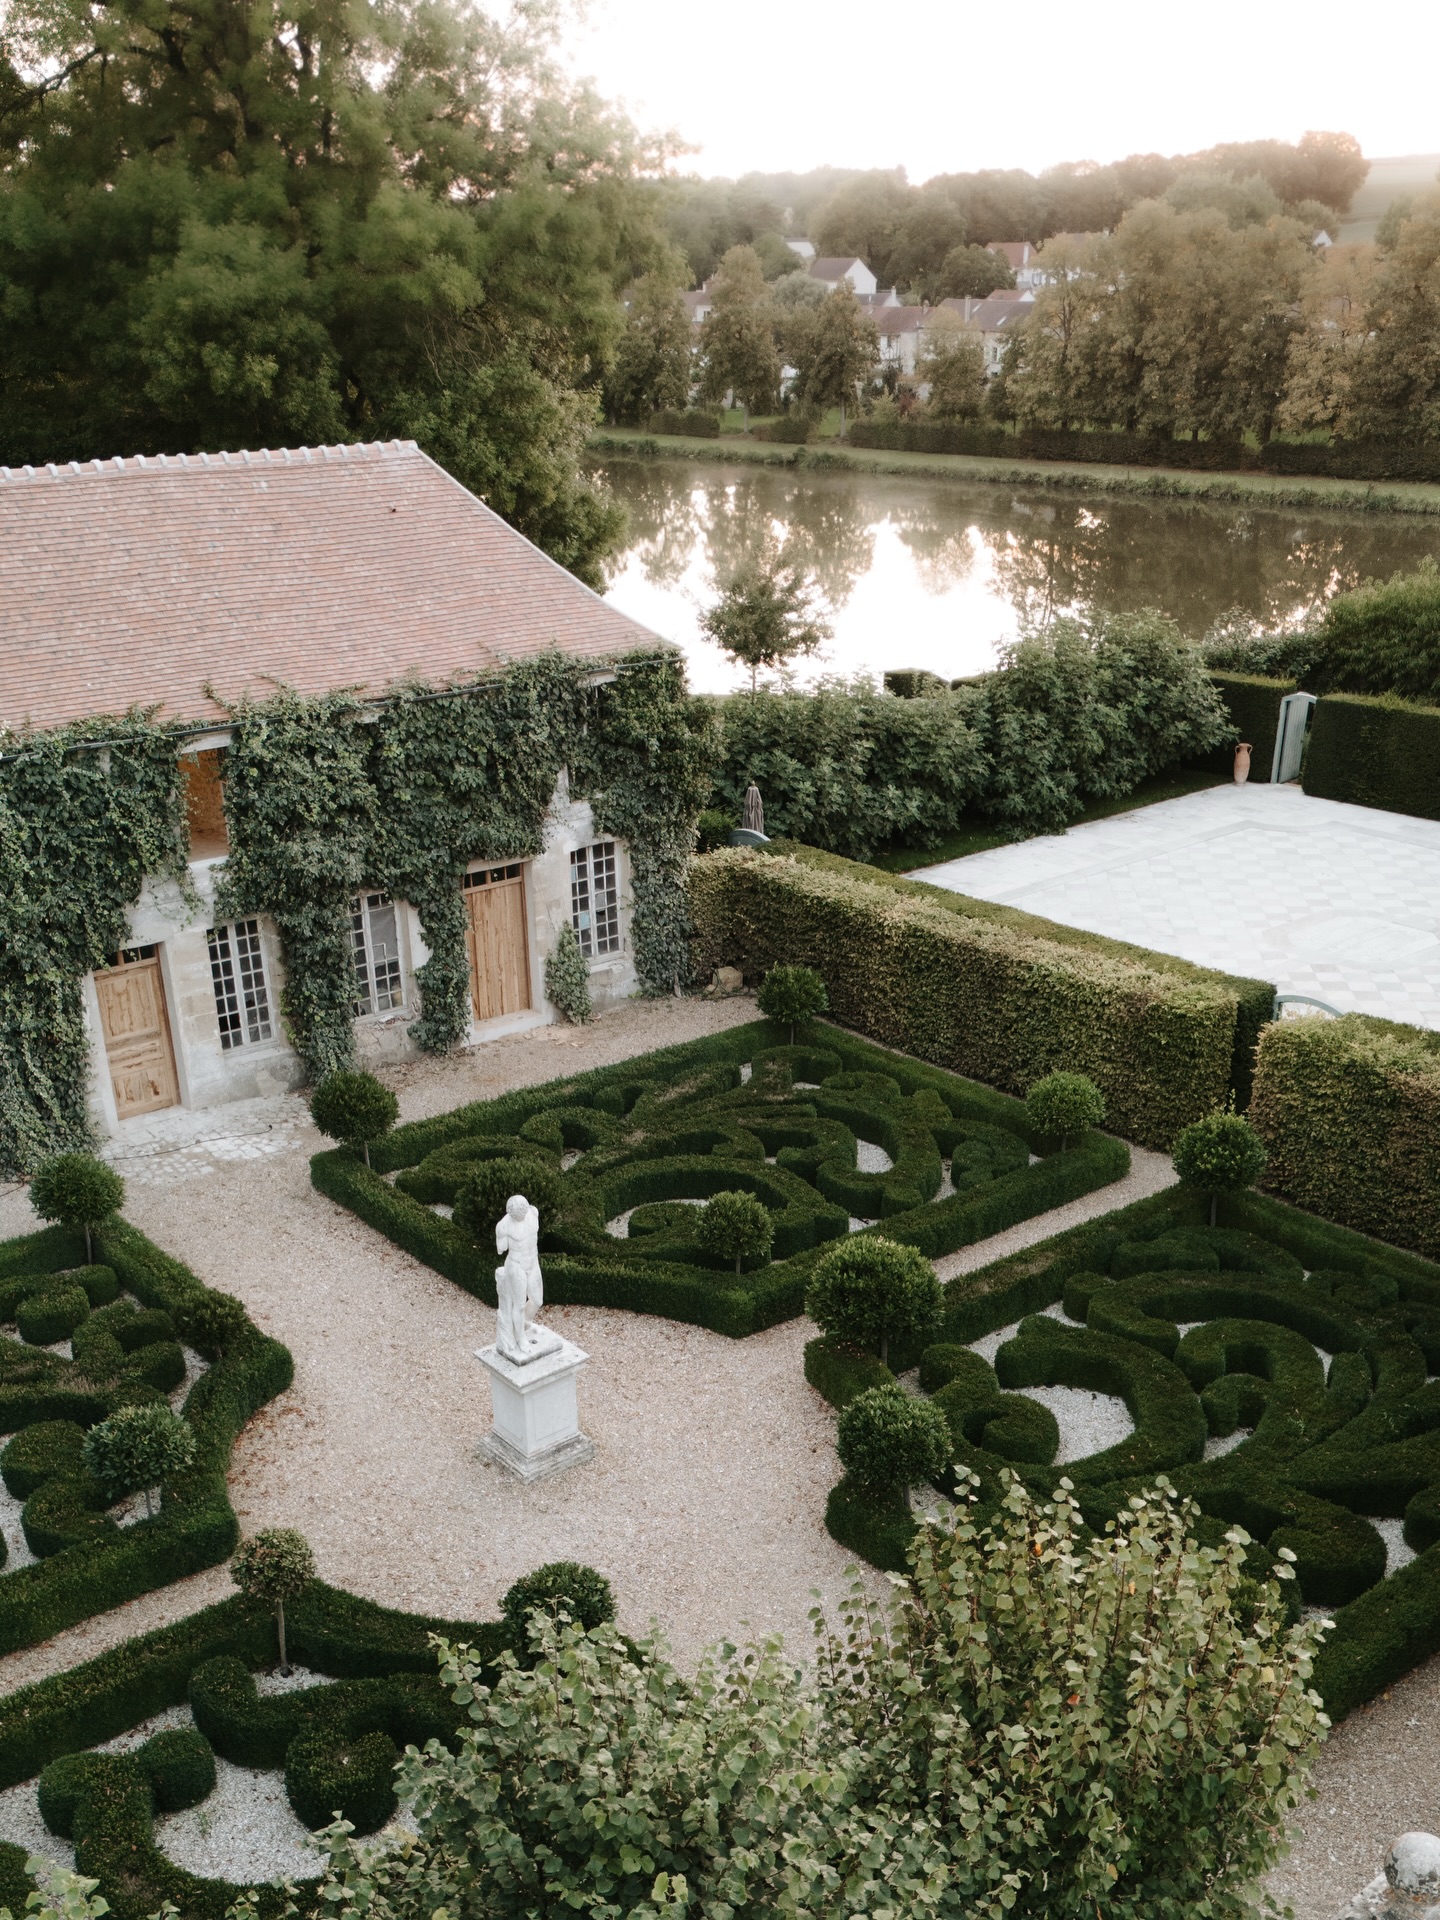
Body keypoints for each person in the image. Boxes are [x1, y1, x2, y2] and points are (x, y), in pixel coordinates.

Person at [494, 1193, 556, 1362]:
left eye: (523, 1210)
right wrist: (504, 1239)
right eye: (516, 1213)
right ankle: (520, 1338)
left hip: (533, 1261)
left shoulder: (533, 1213)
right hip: (516, 1264)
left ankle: (526, 1322)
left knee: (537, 1300)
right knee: (519, 1304)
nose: (521, 1214)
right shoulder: (504, 1226)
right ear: (510, 1212)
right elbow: (501, 1249)